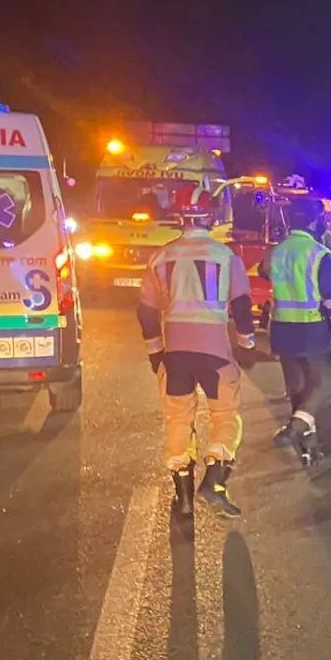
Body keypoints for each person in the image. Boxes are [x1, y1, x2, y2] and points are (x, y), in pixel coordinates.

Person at [136, 207, 257, 519]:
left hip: (175, 353)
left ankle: (184, 497)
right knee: (225, 417)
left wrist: (155, 353)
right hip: (215, 353)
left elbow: (146, 311)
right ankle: (214, 483)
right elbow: (242, 304)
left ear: (182, 219)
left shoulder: (161, 257)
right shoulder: (225, 255)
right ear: (211, 219)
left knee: (178, 419)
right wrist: (247, 344)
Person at [267, 195, 331, 462]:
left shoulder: (278, 250)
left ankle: (309, 448)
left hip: (282, 328)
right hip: (311, 328)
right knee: (325, 383)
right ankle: (294, 429)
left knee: (299, 389)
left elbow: (262, 271)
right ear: (316, 221)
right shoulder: (319, 254)